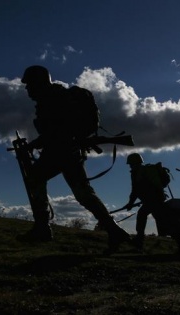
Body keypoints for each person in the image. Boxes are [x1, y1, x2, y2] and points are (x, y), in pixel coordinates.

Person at [20, 65, 134, 254]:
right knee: (83, 194)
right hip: (69, 152)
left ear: (37, 83)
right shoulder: (56, 96)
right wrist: (38, 143)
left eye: (29, 84)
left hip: (60, 151)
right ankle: (114, 230)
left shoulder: (51, 99)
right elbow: (56, 130)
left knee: (35, 178)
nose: (27, 89)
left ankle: (42, 228)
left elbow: (55, 130)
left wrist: (37, 143)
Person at [121, 153, 180, 253]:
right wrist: (131, 202)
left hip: (154, 200)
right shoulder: (137, 172)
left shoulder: (142, 172)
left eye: (131, 163)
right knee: (161, 221)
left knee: (143, 216)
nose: (130, 166)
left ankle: (139, 242)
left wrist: (132, 202)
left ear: (135, 163)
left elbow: (139, 189)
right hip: (152, 201)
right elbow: (136, 190)